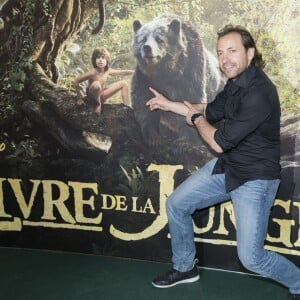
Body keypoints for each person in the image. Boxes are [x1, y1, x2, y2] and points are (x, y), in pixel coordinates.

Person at [146, 25, 300, 299]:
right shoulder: (235, 84)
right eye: (220, 52)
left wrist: (195, 119)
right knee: (177, 204)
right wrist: (170, 104)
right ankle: (185, 268)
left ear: (250, 53)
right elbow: (207, 110)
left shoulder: (259, 92)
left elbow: (216, 140)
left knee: (251, 258)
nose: (225, 58)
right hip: (229, 167)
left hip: (255, 179)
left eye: (232, 51)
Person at [73, 47, 134, 114]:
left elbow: (123, 72)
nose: (100, 60)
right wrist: (79, 98)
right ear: (94, 60)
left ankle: (127, 108)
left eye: (103, 58)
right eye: (98, 58)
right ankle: (98, 104)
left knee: (124, 83)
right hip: (92, 97)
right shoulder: (92, 72)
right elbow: (76, 81)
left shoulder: (107, 71)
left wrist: (136, 72)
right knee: (96, 84)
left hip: (101, 94)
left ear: (107, 60)